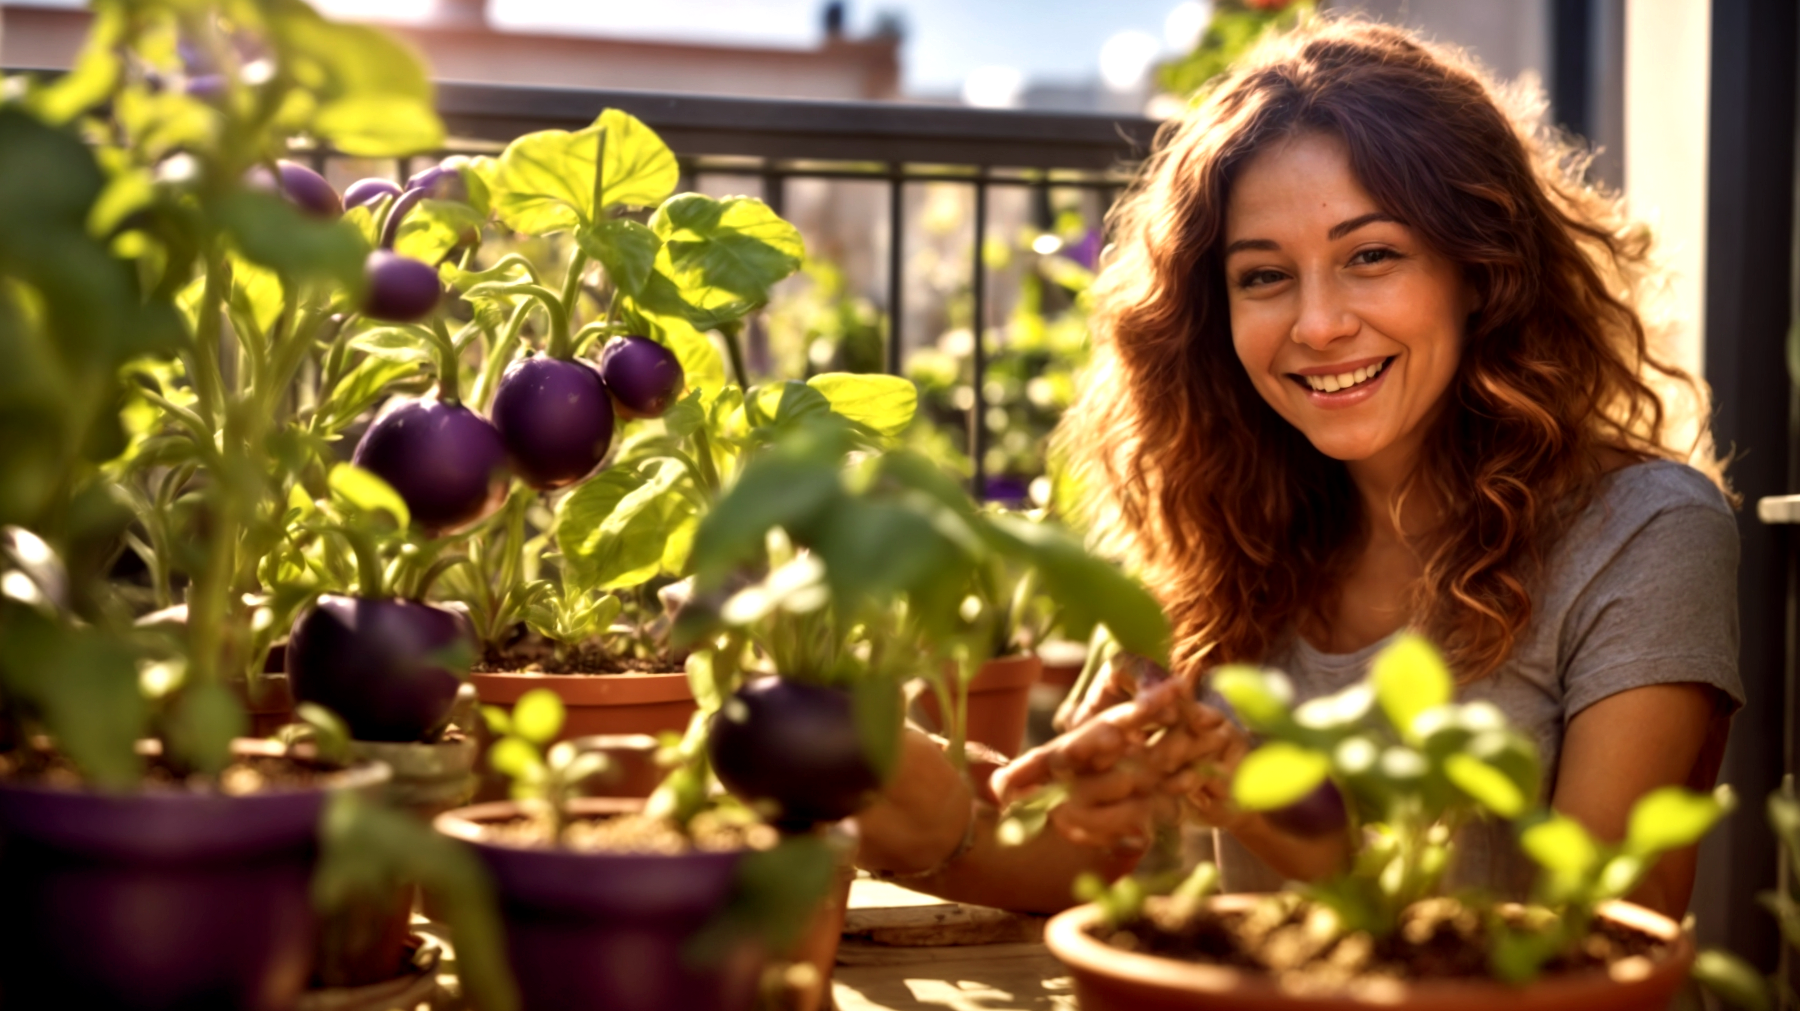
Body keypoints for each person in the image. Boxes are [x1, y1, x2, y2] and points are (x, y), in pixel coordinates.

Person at [852, 16, 1742, 920]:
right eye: (1264, 276)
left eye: (1372, 255)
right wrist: (862, 756)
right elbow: (1072, 860)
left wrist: (1274, 806)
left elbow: (1600, 931)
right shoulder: (1213, 534)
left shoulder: (1643, 530)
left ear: (1481, 270)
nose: (1317, 325)